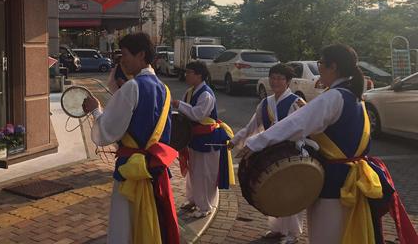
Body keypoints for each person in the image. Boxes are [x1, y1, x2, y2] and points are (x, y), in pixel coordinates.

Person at [239, 44, 417, 244]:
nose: (319, 67)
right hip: (350, 179)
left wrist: (256, 143)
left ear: (333, 66)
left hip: (334, 181)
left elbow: (296, 123)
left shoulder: (334, 96)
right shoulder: (353, 96)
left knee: (327, 236)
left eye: (321, 63)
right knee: (345, 233)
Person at [82, 32, 179, 244]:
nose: (121, 60)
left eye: (124, 54)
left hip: (130, 169)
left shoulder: (132, 87)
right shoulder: (164, 89)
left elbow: (108, 131)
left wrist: (95, 110)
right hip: (154, 168)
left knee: (124, 225)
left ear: (141, 54)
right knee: (150, 218)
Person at [229, 63, 306, 244]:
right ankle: (278, 228)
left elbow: (301, 130)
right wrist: (234, 141)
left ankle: (293, 233)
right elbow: (251, 126)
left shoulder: (296, 102)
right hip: (271, 155)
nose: (275, 81)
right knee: (275, 191)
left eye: (280, 78)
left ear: (288, 82)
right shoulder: (265, 103)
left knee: (291, 193)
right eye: (273, 77)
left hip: (291, 154)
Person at [172, 61, 234, 218]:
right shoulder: (191, 91)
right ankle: (193, 199)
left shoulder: (206, 94)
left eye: (189, 72)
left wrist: (179, 105)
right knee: (194, 171)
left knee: (205, 173)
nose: (186, 75)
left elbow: (197, 114)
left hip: (207, 138)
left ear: (199, 75)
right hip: (195, 138)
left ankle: (205, 206)